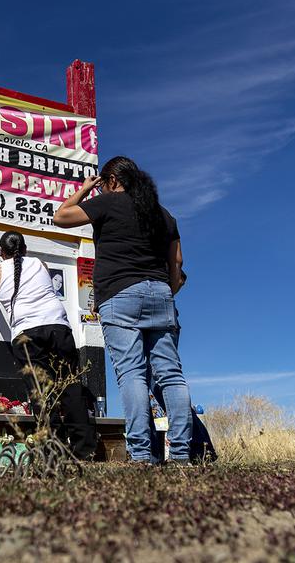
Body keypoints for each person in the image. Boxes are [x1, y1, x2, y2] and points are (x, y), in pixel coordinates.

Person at [54, 156, 191, 465]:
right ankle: (182, 454)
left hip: (119, 293)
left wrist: (85, 189)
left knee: (132, 373)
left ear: (112, 181)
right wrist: (166, 292)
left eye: (103, 183)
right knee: (171, 375)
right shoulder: (164, 215)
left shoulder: (108, 203)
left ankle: (143, 455)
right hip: (160, 293)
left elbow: (60, 217)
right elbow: (178, 262)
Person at [0, 231, 97, 460]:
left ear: (0, 252)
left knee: (42, 393)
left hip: (26, 333)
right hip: (58, 326)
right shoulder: (40, 264)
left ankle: (54, 449)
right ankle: (84, 449)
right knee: (71, 388)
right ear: (25, 249)